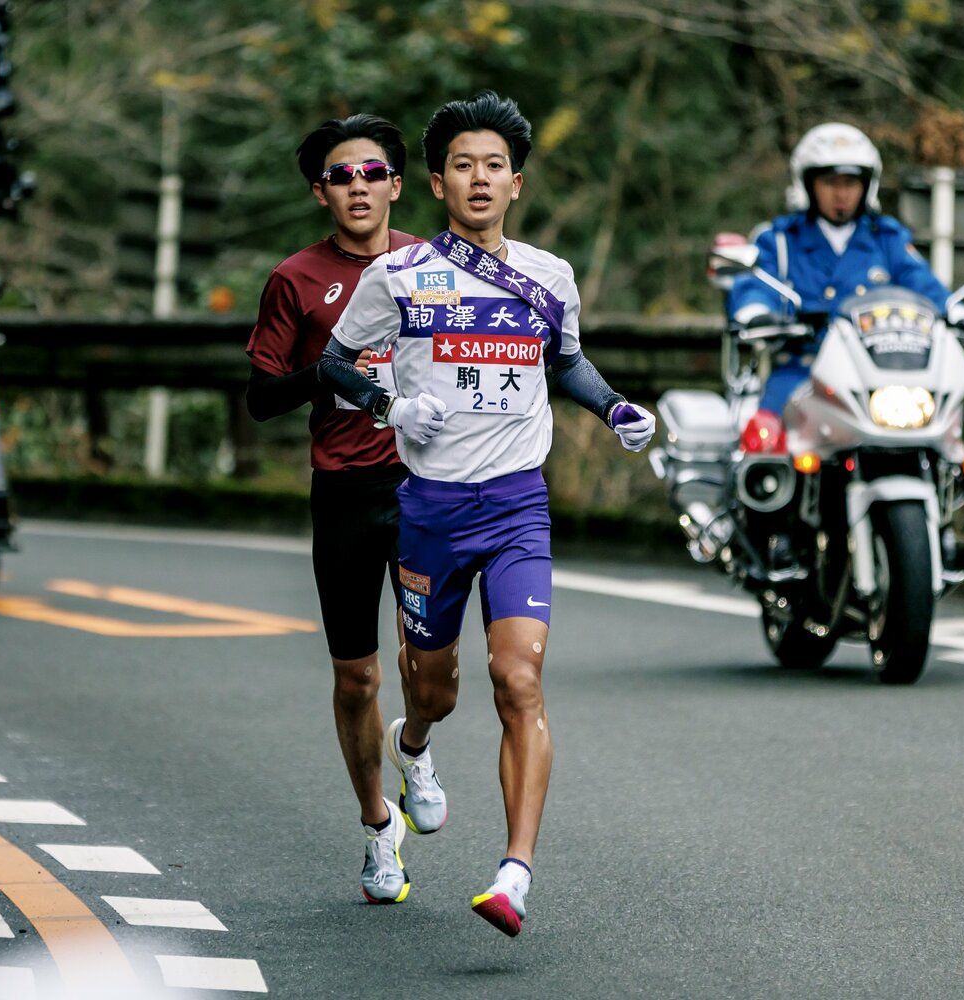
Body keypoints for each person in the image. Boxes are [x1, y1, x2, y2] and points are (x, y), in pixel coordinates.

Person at [317, 91, 655, 936]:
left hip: (516, 507)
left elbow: (567, 364)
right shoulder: (396, 276)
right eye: (463, 165)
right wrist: (390, 408)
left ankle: (514, 873)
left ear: (516, 184)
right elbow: (332, 364)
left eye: (494, 166)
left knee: (520, 680)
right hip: (429, 511)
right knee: (438, 689)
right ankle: (415, 742)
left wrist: (613, 408)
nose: (479, 178)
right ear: (435, 182)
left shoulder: (549, 276)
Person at [244, 113, 425, 904]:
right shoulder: (295, 278)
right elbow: (259, 400)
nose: (359, 187)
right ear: (322, 192)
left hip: (427, 485)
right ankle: (378, 827)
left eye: (372, 172)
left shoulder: (433, 265)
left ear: (396, 184)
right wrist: (327, 371)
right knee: (357, 677)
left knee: (431, 664)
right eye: (341, 176)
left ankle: (416, 744)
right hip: (346, 491)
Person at [728, 122, 964, 416]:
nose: (841, 194)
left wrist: (959, 312)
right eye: (830, 182)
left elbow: (922, 283)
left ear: (867, 187)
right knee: (766, 443)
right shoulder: (778, 239)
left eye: (850, 183)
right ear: (808, 185)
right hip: (801, 371)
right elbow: (755, 284)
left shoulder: (887, 239)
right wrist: (755, 313)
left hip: (878, 377)